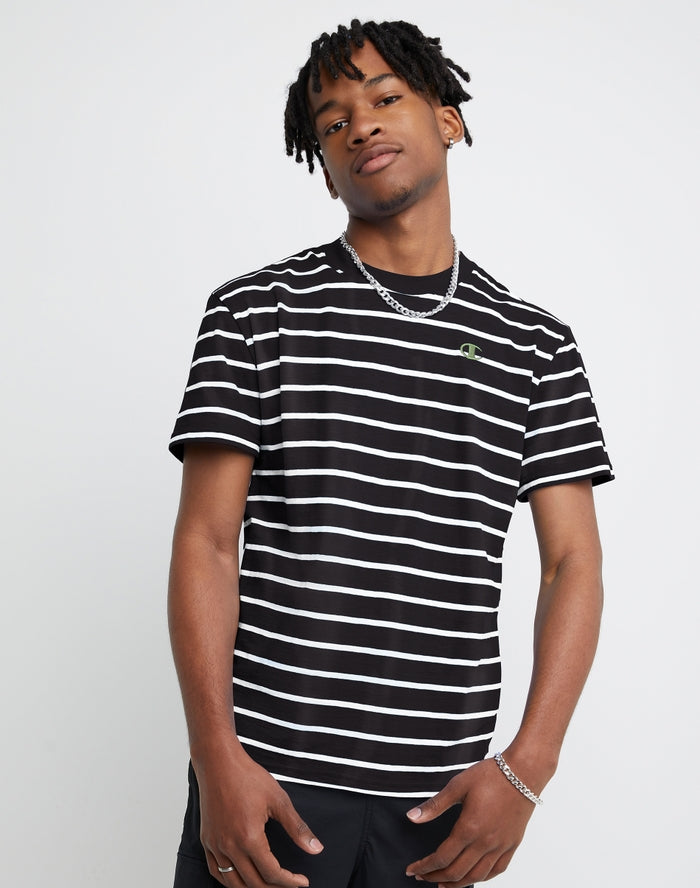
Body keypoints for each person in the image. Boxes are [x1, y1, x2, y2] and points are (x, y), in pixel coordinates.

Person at [167, 18, 613, 888]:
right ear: (321, 162)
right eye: (333, 121)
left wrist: (527, 769)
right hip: (271, 787)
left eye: (384, 97)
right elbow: (207, 543)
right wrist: (216, 760)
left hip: (439, 807)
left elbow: (573, 564)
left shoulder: (537, 346)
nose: (360, 125)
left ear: (447, 119)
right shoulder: (255, 314)